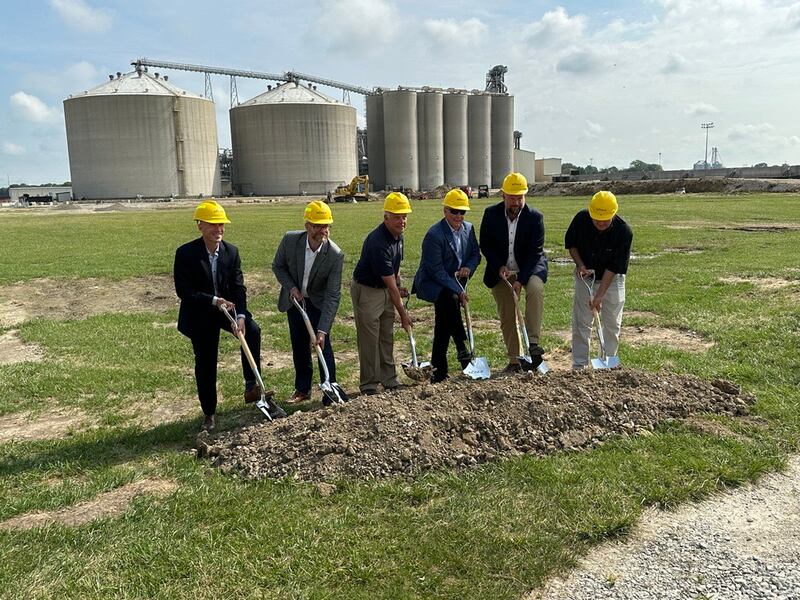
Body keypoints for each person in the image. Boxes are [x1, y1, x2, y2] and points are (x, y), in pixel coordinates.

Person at [174, 200, 281, 432]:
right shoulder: (186, 254)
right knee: (206, 361)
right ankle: (209, 413)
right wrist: (214, 301)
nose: (218, 229)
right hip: (200, 312)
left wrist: (240, 315)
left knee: (252, 331)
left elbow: (238, 287)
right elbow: (185, 292)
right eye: (213, 224)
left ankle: (252, 386)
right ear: (200, 226)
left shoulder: (231, 252)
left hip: (227, 309)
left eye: (221, 224)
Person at [272, 200, 344, 404]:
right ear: (307, 226)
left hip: (318, 302)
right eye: (318, 225)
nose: (323, 230)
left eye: (326, 225)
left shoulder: (335, 255)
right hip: (296, 301)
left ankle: (330, 388)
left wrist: (322, 330)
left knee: (323, 344)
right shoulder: (290, 240)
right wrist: (291, 288)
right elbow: (278, 266)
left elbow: (333, 294)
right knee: (299, 344)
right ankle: (302, 389)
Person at [479, 172, 548, 371]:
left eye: (520, 197)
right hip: (501, 271)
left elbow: (535, 252)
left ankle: (533, 343)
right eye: (512, 197)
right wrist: (499, 266)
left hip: (530, 267)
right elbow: (486, 245)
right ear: (503, 196)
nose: (516, 202)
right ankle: (515, 359)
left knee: (535, 289)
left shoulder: (535, 218)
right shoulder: (490, 214)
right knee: (507, 314)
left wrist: (520, 280)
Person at [412, 188, 481, 382]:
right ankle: (462, 348)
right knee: (449, 300)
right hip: (431, 283)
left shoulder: (469, 228)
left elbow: (476, 254)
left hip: (454, 282)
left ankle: (438, 370)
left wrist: (468, 266)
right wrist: (458, 290)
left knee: (443, 322)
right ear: (445, 211)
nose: (458, 216)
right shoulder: (434, 235)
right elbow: (436, 271)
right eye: (454, 211)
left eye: (462, 212)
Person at [351, 192, 413, 395]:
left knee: (386, 335)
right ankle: (369, 384)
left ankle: (390, 379)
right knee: (370, 338)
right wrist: (403, 315)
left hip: (386, 287)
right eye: (396, 216)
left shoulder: (399, 236)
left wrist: (398, 283)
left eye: (404, 216)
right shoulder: (378, 243)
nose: (401, 221)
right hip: (368, 290)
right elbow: (391, 286)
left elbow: (395, 270)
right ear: (385, 216)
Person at [565, 190, 633, 369]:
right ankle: (579, 366)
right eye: (597, 219)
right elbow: (571, 245)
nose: (601, 223)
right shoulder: (580, 220)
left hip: (612, 279)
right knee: (581, 322)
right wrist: (580, 265)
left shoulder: (624, 231)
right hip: (585, 276)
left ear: (614, 213)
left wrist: (600, 296)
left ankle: (609, 363)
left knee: (612, 323)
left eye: (605, 220)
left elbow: (614, 267)